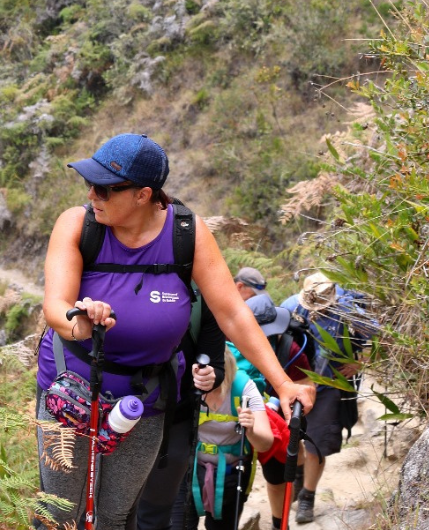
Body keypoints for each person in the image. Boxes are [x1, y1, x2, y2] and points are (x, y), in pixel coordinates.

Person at [35, 133, 315, 529]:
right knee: (61, 513)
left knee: (115, 515)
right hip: (72, 389)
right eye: (89, 184)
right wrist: (79, 322)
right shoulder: (78, 225)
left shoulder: (186, 234)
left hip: (144, 398)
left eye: (104, 188)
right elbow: (55, 306)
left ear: (143, 194)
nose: (92, 194)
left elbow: (232, 313)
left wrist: (282, 383)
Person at [281, 272, 376, 524]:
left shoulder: (348, 308)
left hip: (329, 386)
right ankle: (300, 475)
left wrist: (359, 363)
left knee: (317, 443)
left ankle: (307, 496)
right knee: (293, 439)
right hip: (294, 384)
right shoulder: (291, 306)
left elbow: (374, 334)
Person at [232, 267, 317, 530]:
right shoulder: (231, 345)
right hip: (242, 415)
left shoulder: (289, 346)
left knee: (277, 476)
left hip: (280, 415)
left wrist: (284, 406)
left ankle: (280, 523)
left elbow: (306, 386)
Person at [133, 293, 226, 530]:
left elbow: (216, 365)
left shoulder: (203, 293)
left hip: (175, 419)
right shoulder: (119, 274)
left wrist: (209, 377)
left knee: (154, 515)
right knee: (115, 510)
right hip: (115, 416)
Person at [181, 347, 273, 530]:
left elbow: (265, 443)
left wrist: (251, 430)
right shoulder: (188, 384)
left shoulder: (243, 387)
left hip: (230, 476)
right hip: (188, 472)